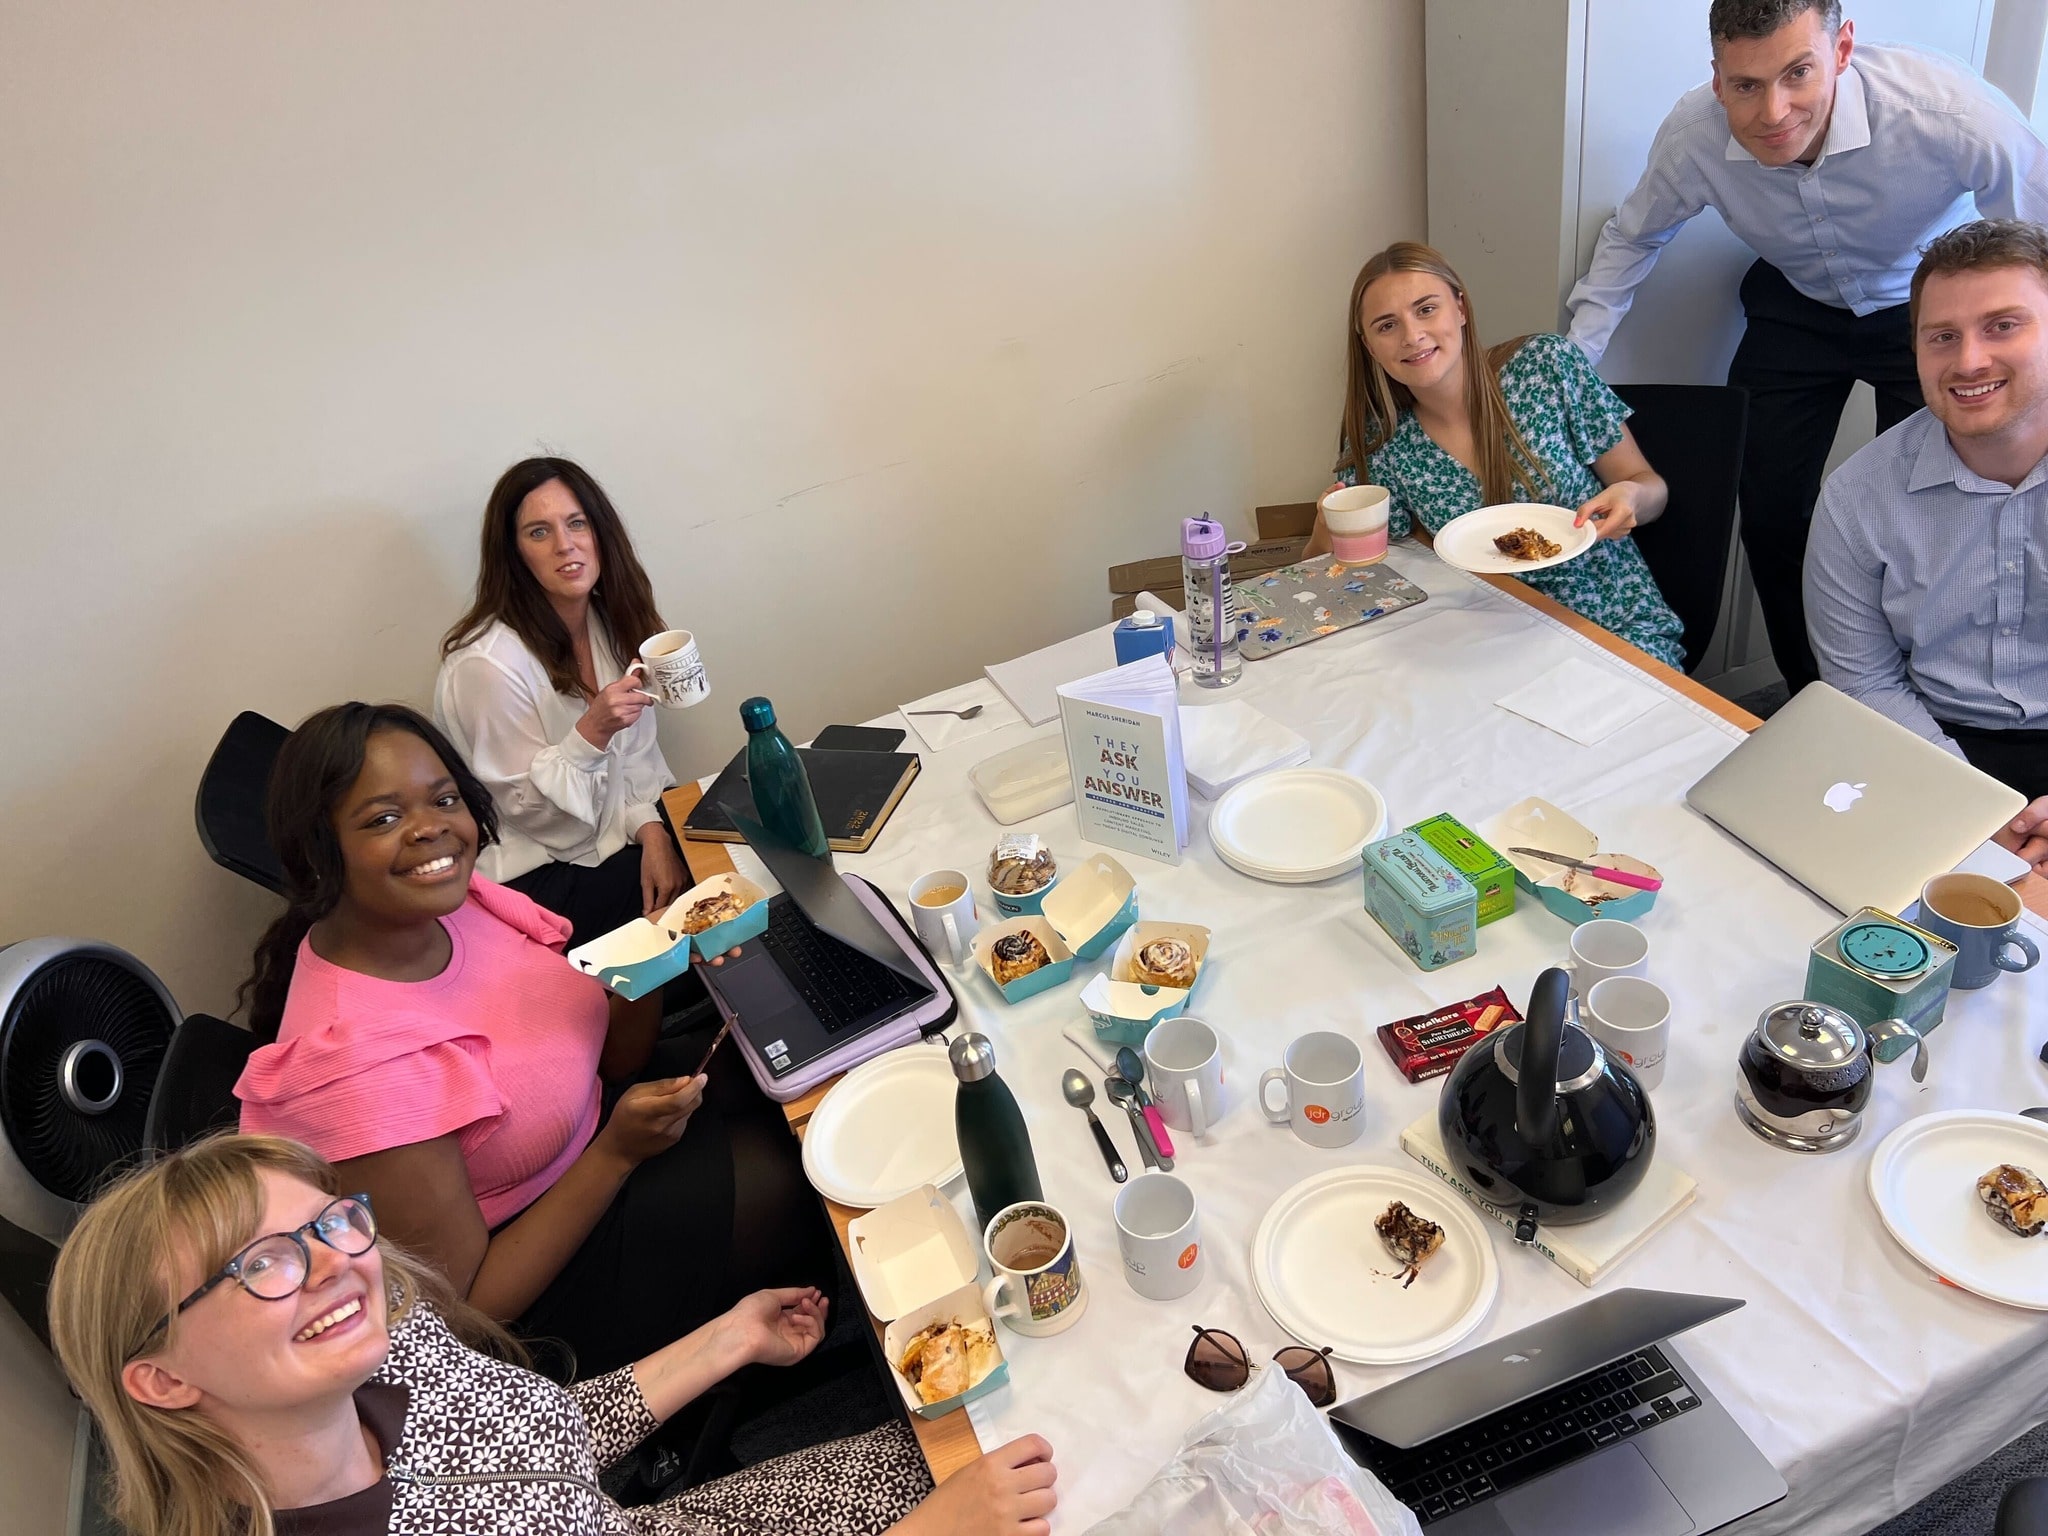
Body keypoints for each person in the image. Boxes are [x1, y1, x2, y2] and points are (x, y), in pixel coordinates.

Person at [46, 1133, 1060, 1536]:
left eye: (324, 1223)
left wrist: (723, 1343)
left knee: (1004, 1434)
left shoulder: (386, 1350)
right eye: (259, 1263)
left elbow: (530, 1439)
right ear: (163, 1380)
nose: (330, 1263)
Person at [233, 702, 830, 1380]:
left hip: (611, 1121)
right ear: (319, 850)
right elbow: (469, 1309)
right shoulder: (358, 1064)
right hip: (562, 1269)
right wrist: (615, 1154)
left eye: (445, 799)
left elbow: (603, 1056)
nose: (432, 830)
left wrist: (661, 956)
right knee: (813, 1177)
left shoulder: (459, 904)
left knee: (818, 1064)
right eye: (384, 819)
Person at [1565, 0, 2048, 693]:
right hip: (1795, 304)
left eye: (1798, 73)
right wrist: (1571, 366)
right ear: (1716, 76)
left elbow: (2038, 235)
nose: (1773, 112)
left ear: (1843, 48)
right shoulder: (1693, 136)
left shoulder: (1944, 112)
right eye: (1746, 86)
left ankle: (1933, 699)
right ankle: (1813, 691)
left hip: (1915, 307)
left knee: (1940, 509)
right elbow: (1633, 236)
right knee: (1767, 507)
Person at [1308, 241, 1687, 669]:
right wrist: (1328, 518)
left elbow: (1648, 485)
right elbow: (1330, 574)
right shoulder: (1385, 439)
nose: (1412, 336)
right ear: (1369, 345)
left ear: (1461, 308)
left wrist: (1630, 497)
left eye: (1426, 309)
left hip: (1609, 623)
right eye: (1386, 325)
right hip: (1490, 636)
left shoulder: (1545, 366)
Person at [1806, 219, 2048, 873]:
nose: (1968, 360)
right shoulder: (1857, 495)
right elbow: (1862, 679)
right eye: (1942, 336)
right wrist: (1964, 802)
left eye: (2003, 325)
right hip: (1922, 737)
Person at [436, 456, 689, 944]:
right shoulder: (484, 666)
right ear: (514, 554)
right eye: (538, 532)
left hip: (612, 839)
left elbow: (637, 762)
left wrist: (651, 831)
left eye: (576, 523)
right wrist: (590, 733)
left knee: (728, 828)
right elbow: (546, 823)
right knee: (714, 881)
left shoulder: (607, 622)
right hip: (534, 878)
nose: (564, 545)